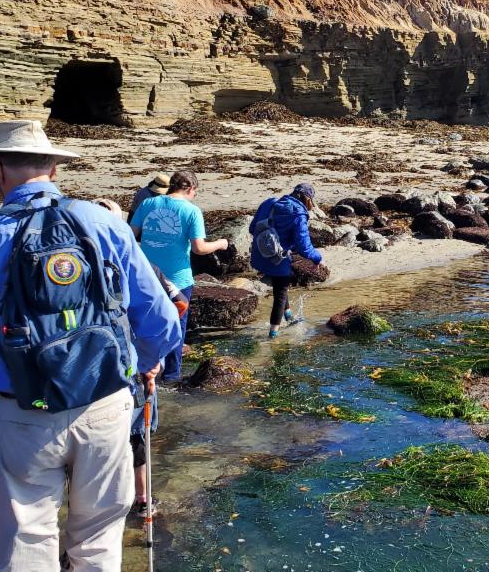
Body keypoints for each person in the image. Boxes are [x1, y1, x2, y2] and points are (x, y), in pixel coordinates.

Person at [0, 120, 182, 572]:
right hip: (106, 408)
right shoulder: (100, 221)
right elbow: (160, 319)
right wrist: (143, 368)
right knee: (96, 542)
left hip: (21, 416)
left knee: (25, 558)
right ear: (54, 167)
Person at [97, 198, 186, 517]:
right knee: (138, 433)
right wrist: (153, 357)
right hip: (134, 363)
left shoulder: (75, 263)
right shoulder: (141, 265)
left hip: (89, 371)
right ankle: (143, 499)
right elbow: (177, 306)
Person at [130, 170, 228, 382]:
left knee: (145, 324)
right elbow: (199, 248)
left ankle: (144, 371)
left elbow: (130, 234)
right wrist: (220, 244)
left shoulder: (148, 204)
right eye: (195, 192)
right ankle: (171, 377)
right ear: (191, 189)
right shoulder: (192, 211)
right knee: (176, 328)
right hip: (178, 281)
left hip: (148, 278)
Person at [250, 183, 325, 336]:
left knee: (280, 286)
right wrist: (317, 259)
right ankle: (273, 337)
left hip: (260, 255)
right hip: (278, 258)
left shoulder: (269, 202)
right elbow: (304, 246)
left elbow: (252, 228)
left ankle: (289, 315)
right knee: (280, 294)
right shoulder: (298, 214)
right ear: (308, 200)